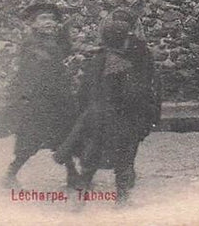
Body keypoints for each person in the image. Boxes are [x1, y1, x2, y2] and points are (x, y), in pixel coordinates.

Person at [58, 17, 159, 202]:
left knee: (91, 161)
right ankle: (122, 200)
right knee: (123, 161)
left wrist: (86, 113)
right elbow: (133, 95)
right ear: (125, 40)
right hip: (120, 120)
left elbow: (83, 91)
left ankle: (80, 201)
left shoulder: (97, 60)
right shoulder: (123, 65)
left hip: (95, 118)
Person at [0, 2, 82, 188]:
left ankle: (72, 174)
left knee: (64, 137)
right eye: (44, 18)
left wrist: (65, 32)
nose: (49, 22)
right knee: (31, 141)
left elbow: (64, 52)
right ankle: (10, 174)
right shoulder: (31, 43)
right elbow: (37, 70)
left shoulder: (53, 40)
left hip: (58, 99)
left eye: (52, 19)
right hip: (38, 102)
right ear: (33, 23)